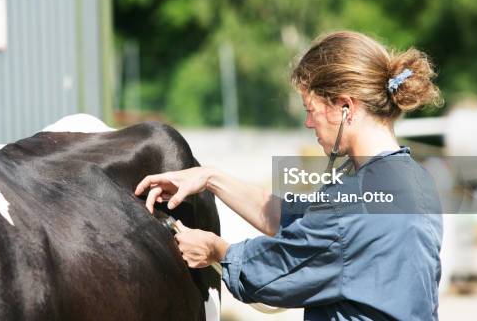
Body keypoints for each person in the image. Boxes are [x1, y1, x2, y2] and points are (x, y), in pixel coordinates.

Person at [135, 31, 444, 320]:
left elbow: (274, 270)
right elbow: (301, 220)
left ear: (345, 107)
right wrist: (211, 178)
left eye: (311, 110)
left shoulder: (354, 205)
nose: (309, 123)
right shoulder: (414, 180)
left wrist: (217, 250)